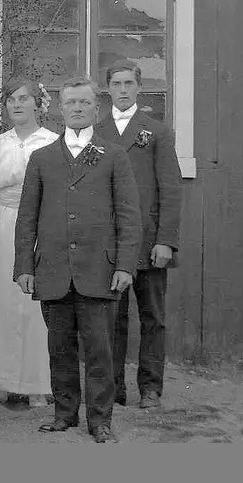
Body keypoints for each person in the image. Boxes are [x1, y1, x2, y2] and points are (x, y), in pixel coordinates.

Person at [13, 77, 141, 444]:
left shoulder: (114, 155)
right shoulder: (42, 159)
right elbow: (27, 217)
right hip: (52, 269)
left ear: (96, 109)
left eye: (85, 103)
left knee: (100, 350)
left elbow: (129, 217)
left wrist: (124, 266)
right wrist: (24, 266)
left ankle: (100, 420)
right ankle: (64, 413)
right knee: (59, 347)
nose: (78, 109)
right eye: (71, 103)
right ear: (59, 109)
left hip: (99, 271)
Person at [97, 61, 182, 410]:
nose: (122, 89)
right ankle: (113, 388)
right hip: (111, 244)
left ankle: (150, 388)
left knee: (153, 317)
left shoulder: (156, 131)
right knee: (111, 319)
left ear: (139, 87)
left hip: (148, 241)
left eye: (129, 83)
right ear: (108, 89)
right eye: (116, 83)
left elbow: (171, 188)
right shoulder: (96, 131)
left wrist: (165, 240)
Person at [0, 78, 59, 408]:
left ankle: (36, 383)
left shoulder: (53, 142)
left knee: (34, 306)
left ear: (38, 103)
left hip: (38, 226)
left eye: (24, 98)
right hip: (1, 225)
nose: (17, 104)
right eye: (11, 99)